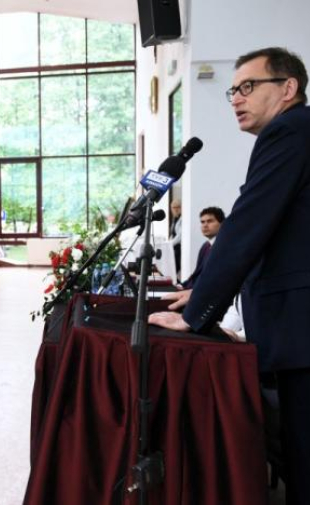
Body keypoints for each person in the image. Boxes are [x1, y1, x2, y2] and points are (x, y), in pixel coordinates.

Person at [148, 47, 310, 502]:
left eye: (248, 86)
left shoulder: (289, 131)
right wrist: (198, 291)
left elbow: (247, 226)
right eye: (232, 90)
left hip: (299, 328)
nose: (236, 98)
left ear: (288, 88)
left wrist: (197, 311)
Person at [180, 206, 225, 289]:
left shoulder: (224, 247)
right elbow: (197, 274)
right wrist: (181, 286)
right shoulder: (205, 246)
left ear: (222, 224)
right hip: (194, 290)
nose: (205, 225)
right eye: (202, 222)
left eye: (210, 221)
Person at [169, 199, 182, 274]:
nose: (176, 209)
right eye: (174, 207)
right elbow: (173, 234)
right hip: (174, 248)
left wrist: (169, 244)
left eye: (178, 207)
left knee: (177, 269)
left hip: (179, 248)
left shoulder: (182, 219)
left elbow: (179, 236)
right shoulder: (175, 219)